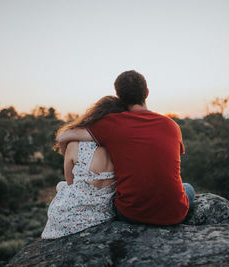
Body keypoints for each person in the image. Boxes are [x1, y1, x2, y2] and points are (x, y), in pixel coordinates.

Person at [56, 70, 195, 225]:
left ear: (119, 98)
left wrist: (66, 155)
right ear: (147, 93)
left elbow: (64, 136)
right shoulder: (172, 125)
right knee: (188, 187)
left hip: (130, 214)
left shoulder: (112, 124)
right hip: (174, 214)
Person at [41, 96, 127, 239]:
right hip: (102, 215)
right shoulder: (123, 146)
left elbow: (70, 183)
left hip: (66, 219)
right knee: (61, 186)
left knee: (61, 185)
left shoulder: (74, 144)